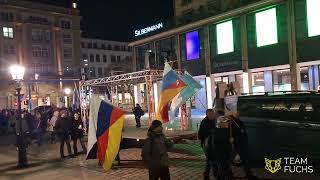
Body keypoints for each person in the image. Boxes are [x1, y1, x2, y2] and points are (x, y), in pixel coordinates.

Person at [230, 112, 256, 180]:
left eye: (238, 112)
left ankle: (249, 174)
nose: (238, 113)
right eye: (236, 112)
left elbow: (243, 132)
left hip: (242, 143)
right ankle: (227, 175)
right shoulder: (230, 122)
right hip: (235, 144)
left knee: (245, 159)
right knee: (229, 160)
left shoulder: (239, 121)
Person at [208, 116, 234, 180]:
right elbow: (218, 145)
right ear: (220, 123)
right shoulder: (217, 132)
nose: (227, 124)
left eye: (227, 122)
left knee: (225, 169)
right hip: (220, 155)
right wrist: (229, 141)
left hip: (225, 154)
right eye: (225, 122)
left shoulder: (224, 130)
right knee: (222, 170)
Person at [198, 109, 218, 180]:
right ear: (207, 114)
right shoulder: (204, 122)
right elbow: (200, 135)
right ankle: (211, 175)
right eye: (210, 114)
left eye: (213, 114)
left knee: (211, 160)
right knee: (211, 160)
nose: (212, 115)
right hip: (207, 145)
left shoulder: (214, 120)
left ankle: (208, 175)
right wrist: (211, 131)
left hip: (213, 144)